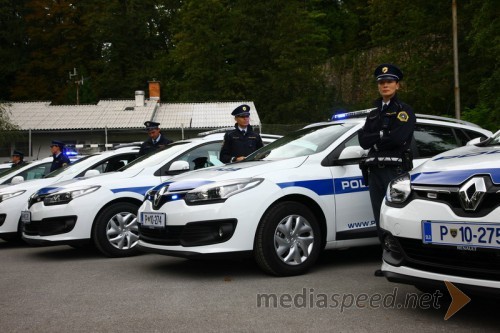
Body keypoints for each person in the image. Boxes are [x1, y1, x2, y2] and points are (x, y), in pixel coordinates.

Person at [358, 64, 416, 276]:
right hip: (375, 171)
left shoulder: (404, 111)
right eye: (381, 82)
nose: (385, 85)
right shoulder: (373, 114)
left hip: (395, 170)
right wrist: (382, 136)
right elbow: (363, 140)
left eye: (389, 82)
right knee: (379, 217)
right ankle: (387, 260)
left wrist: (377, 139)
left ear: (397, 85)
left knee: (395, 216)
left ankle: (401, 261)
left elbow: (399, 138)